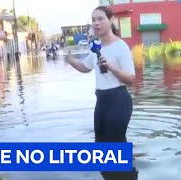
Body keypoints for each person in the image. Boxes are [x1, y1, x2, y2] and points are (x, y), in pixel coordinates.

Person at [65, 6, 138, 180]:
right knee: (101, 147)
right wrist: (70, 60)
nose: (96, 23)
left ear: (111, 20)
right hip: (102, 101)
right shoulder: (96, 48)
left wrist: (112, 67)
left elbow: (131, 79)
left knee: (116, 145)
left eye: (100, 19)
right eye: (94, 20)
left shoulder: (121, 47)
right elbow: (85, 68)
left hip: (119, 100)